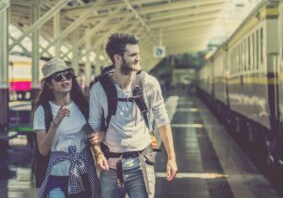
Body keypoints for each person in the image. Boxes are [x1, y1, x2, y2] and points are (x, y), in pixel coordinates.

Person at [88, 32, 178, 198]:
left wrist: (171, 158)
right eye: (133, 55)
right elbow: (93, 128)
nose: (138, 58)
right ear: (117, 58)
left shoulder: (149, 83)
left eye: (138, 54)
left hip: (141, 167)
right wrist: (98, 153)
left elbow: (163, 121)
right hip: (110, 168)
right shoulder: (99, 89)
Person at [33, 58, 100, 198]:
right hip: (56, 177)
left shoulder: (83, 107)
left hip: (83, 173)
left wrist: (99, 153)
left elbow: (92, 136)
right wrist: (54, 124)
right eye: (58, 77)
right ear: (50, 85)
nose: (64, 79)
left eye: (67, 75)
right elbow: (43, 150)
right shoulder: (43, 110)